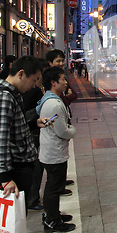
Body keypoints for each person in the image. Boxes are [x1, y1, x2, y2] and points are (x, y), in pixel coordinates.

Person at [0, 56, 48, 209]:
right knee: (13, 218)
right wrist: (5, 178)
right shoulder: (4, 97)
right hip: (14, 169)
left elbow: (10, 128)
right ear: (21, 74)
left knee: (19, 216)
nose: (34, 85)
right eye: (34, 80)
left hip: (19, 166)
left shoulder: (12, 94)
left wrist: (34, 123)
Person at [36, 67, 76, 232]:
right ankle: (52, 220)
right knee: (53, 187)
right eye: (63, 79)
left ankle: (53, 214)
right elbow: (63, 131)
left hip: (51, 150)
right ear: (53, 83)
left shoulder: (51, 99)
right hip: (54, 152)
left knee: (54, 185)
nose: (66, 82)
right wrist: (72, 130)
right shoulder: (54, 104)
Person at [45, 49, 76, 193]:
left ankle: (60, 183)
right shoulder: (48, 80)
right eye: (58, 61)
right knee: (54, 164)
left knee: (61, 159)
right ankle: (55, 192)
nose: (61, 63)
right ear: (50, 63)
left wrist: (67, 98)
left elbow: (73, 94)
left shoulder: (60, 77)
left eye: (62, 61)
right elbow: (63, 99)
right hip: (53, 129)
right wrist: (66, 98)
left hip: (61, 120)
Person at [22, 58, 49, 211]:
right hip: (31, 136)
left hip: (33, 130)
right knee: (36, 168)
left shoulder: (35, 90)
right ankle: (32, 199)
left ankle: (32, 199)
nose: (36, 82)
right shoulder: (33, 91)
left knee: (37, 168)